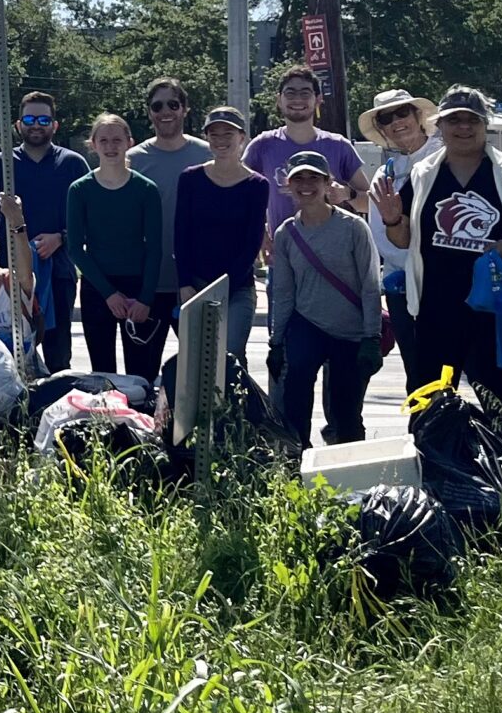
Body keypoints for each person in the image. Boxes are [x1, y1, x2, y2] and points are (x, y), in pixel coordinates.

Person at [374, 86, 502, 462]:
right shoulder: (424, 173)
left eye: (471, 119)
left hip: (498, 306)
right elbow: (404, 237)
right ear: (439, 125)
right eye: (453, 120)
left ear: (485, 125)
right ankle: (438, 471)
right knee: (429, 393)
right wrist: (393, 216)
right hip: (436, 307)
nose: (462, 127)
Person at [265, 149, 384, 447]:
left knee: (346, 413)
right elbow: (283, 291)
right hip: (307, 324)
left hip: (350, 329)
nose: (306, 185)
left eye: (314, 178)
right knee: (295, 400)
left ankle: (350, 474)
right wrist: (277, 341)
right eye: (299, 178)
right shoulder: (286, 233)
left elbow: (370, 284)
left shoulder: (353, 227)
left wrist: (372, 337)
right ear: (288, 186)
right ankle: (295, 465)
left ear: (328, 183)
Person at [0, 90, 88, 372]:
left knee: (57, 353)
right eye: (29, 118)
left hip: (59, 273)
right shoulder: (1, 164)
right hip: (10, 275)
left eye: (43, 118)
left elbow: (89, 221)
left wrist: (60, 238)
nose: (36, 124)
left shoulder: (73, 164)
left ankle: (55, 409)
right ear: (18, 125)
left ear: (54, 125)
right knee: (8, 355)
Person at [66, 111, 163, 382]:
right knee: (102, 372)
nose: (111, 147)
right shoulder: (80, 189)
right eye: (104, 140)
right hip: (98, 289)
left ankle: (140, 422)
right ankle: (107, 423)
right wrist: (109, 294)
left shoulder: (146, 189)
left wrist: (146, 298)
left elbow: (155, 247)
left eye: (117, 140)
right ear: (93, 144)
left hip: (137, 288)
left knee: (140, 373)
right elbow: (75, 247)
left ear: (129, 142)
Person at [126, 77, 211, 370]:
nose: (165, 111)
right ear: (149, 112)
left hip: (197, 284)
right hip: (147, 287)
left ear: (185, 109)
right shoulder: (132, 160)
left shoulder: (207, 154)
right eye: (157, 105)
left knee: (203, 375)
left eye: (173, 104)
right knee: (141, 377)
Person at [174, 104, 268, 361]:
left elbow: (252, 243)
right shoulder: (190, 179)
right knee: (197, 360)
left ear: (242, 138)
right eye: (215, 134)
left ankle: (239, 402)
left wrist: (225, 286)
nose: (221, 140)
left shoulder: (257, 185)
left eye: (228, 133)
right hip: (195, 284)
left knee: (229, 356)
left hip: (237, 287)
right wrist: (184, 283)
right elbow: (180, 234)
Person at [358, 87, 437, 384]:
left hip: (448, 282)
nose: (397, 122)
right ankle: (424, 430)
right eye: (387, 118)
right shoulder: (385, 175)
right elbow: (382, 237)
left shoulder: (448, 158)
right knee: (416, 372)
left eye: (403, 112)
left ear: (418, 116)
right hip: (402, 287)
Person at [245, 69, 362, 243]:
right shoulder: (262, 146)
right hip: (281, 257)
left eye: (305, 93)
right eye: (290, 93)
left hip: (334, 257)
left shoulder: (339, 146)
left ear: (318, 99)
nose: (297, 99)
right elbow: (239, 197)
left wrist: (347, 193)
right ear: (279, 100)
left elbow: (370, 203)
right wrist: (259, 234)